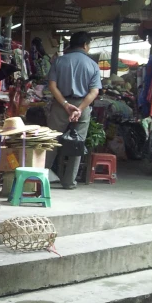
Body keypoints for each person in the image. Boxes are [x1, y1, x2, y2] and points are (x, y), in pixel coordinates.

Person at [46, 31, 101, 189]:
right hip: (82, 106)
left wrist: (64, 104)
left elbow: (52, 86)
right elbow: (94, 92)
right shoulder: (92, 65)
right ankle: (69, 181)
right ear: (85, 45)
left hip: (60, 105)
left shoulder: (59, 61)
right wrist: (79, 109)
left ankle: (41, 178)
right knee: (77, 143)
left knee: (52, 141)